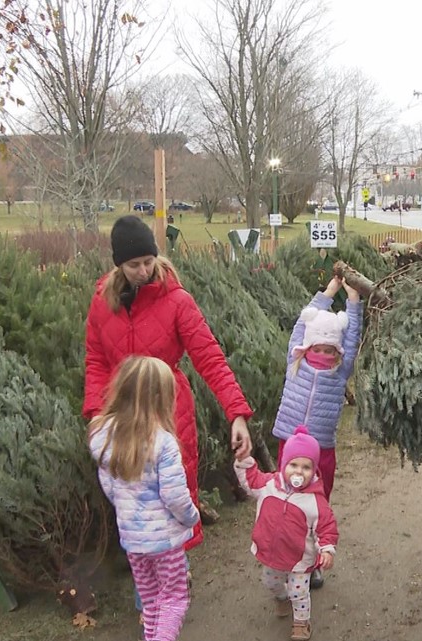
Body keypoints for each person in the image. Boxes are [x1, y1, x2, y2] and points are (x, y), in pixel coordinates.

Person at [84, 215, 253, 610]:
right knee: (132, 500)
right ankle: (149, 587)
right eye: (133, 264)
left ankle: (172, 580)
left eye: (148, 261)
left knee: (171, 496)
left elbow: (209, 357)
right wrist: (95, 413)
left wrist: (237, 413)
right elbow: (95, 359)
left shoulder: (177, 300)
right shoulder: (101, 302)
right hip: (119, 418)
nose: (143, 271)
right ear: (118, 265)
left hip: (168, 414)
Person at [88, 356, 199, 641]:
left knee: (151, 601)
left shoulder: (104, 435)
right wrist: (191, 517)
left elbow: (109, 487)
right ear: (160, 399)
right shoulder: (163, 443)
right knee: (174, 598)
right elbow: (174, 495)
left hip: (133, 539)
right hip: (165, 541)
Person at [271, 275, 361, 588]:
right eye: (317, 347)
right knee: (286, 502)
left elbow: (352, 340)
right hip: (289, 446)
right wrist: (328, 293)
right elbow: (301, 324)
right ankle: (286, 557)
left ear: (336, 351)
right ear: (308, 345)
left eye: (329, 349)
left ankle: (312, 562)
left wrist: (353, 303)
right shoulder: (295, 360)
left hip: (322, 450)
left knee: (316, 506)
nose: (323, 354)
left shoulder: (339, 372)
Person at [235, 426, 338, 641]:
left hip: (300, 559)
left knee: (299, 592)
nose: (299, 472)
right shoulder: (270, 485)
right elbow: (251, 480)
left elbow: (326, 526)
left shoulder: (315, 501)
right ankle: (281, 598)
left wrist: (326, 549)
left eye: (306, 467)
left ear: (314, 470)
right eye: (293, 465)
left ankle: (301, 623)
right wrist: (244, 460)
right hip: (273, 554)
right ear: (283, 464)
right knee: (271, 582)